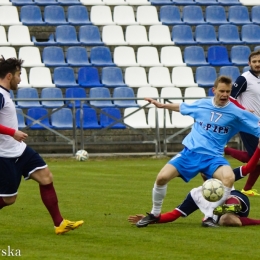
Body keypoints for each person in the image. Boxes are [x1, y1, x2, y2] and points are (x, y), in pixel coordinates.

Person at [136, 75, 260, 228]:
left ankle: (210, 216)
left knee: (228, 178)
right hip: (190, 153)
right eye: (222, 91)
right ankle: (154, 213)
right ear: (214, 90)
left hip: (213, 157)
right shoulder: (202, 104)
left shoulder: (237, 112)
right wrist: (162, 106)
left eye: (228, 92)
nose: (225, 95)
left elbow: (256, 126)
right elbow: (182, 107)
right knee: (161, 178)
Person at [0, 56, 83, 235]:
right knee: (8, 199)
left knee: (46, 177)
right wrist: (12, 132)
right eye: (18, 75)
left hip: (20, 150)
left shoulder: (5, 94)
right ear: (9, 76)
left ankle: (59, 223)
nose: (20, 79)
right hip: (6, 155)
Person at [128, 140, 260, 227]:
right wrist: (154, 219)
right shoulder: (196, 194)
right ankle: (214, 216)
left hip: (238, 200)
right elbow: (175, 214)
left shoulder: (225, 176)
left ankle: (214, 213)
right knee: (227, 220)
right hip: (225, 215)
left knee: (230, 200)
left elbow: (248, 168)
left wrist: (258, 149)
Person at [224, 50, 260, 196]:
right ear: (249, 63)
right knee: (257, 159)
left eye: (259, 61)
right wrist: (244, 110)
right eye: (255, 61)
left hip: (258, 124)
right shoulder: (243, 79)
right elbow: (230, 99)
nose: (257, 64)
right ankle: (225, 150)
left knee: (256, 159)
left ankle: (247, 189)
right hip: (247, 123)